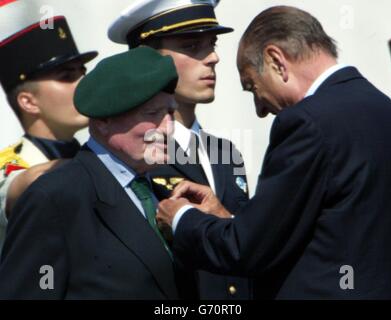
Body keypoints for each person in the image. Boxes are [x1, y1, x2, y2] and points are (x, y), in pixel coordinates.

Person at [157, 6, 391, 299]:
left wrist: (182, 217)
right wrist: (229, 219)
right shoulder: (383, 108)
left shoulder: (307, 123)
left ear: (276, 61)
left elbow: (246, 249)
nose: (260, 110)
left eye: (252, 87)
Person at [0, 46, 192, 299]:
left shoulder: (172, 186)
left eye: (169, 112)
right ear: (103, 121)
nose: (168, 129)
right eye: (152, 114)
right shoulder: (54, 198)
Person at [108, 0, 252, 300]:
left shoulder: (225, 151)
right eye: (191, 46)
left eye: (211, 44)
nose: (213, 57)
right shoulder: (132, 154)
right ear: (148, 60)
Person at [0, 4, 98, 252]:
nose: (83, 83)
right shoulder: (12, 163)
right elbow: (27, 183)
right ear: (28, 102)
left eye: (82, 72)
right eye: (67, 77)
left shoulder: (92, 153)